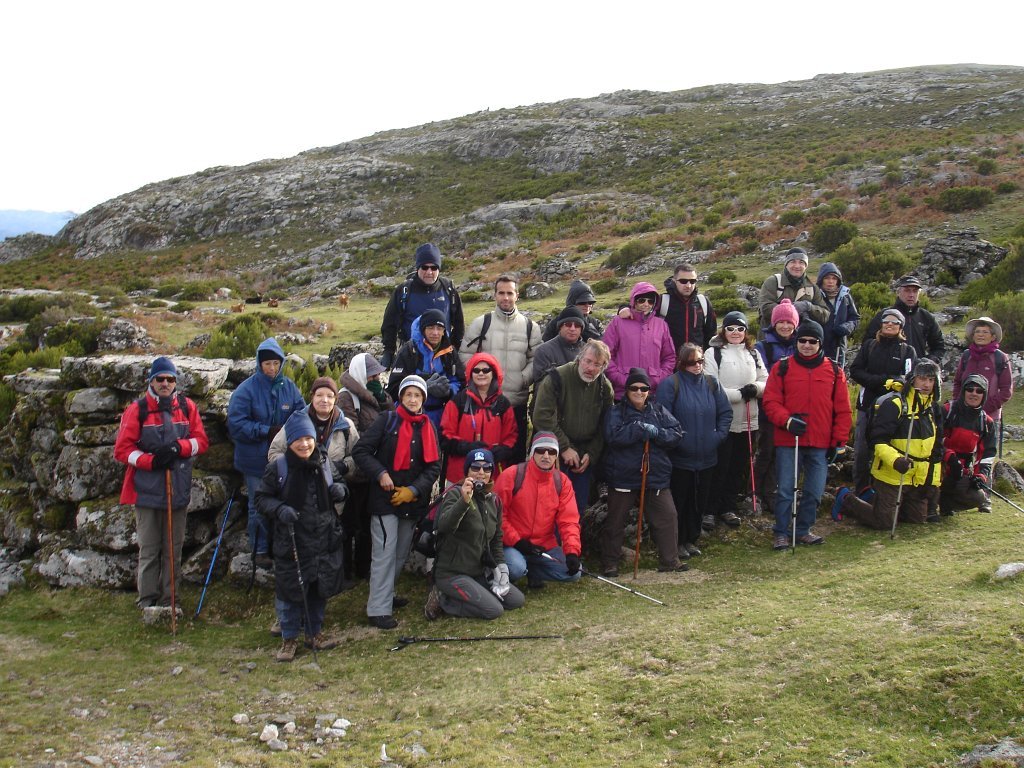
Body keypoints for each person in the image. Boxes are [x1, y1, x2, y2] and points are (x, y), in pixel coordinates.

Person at [114, 356, 209, 612]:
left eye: (170, 379)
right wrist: (151, 461)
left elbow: (201, 441)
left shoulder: (187, 407)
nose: (165, 383)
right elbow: (122, 450)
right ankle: (147, 600)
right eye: (160, 379)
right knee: (149, 548)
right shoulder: (138, 410)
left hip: (177, 487)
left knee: (173, 549)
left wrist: (180, 447)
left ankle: (170, 599)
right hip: (146, 490)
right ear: (151, 381)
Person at [255, 410, 347, 661]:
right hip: (292, 541)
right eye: (298, 439)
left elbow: (340, 484)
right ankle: (289, 639)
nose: (304, 444)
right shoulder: (278, 467)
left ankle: (314, 633)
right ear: (290, 441)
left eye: (308, 438)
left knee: (319, 590)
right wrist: (280, 509)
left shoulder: (324, 463)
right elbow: (261, 498)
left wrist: (340, 490)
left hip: (324, 540)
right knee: (290, 593)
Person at [353, 375, 442, 630]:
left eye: (417, 395)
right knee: (384, 552)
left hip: (411, 502)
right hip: (384, 500)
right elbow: (361, 451)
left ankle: (387, 593)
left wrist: (414, 490)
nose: (413, 400)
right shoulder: (387, 420)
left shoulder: (427, 426)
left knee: (401, 552)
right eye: (408, 395)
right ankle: (378, 608)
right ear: (401, 397)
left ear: (423, 399)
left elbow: (434, 466)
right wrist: (381, 474)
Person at [762, 320, 851, 549]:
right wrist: (787, 421)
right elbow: (771, 402)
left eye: (813, 341)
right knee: (785, 490)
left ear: (820, 343)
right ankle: (781, 532)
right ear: (796, 341)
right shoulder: (782, 368)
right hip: (789, 440)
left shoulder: (834, 371)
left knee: (814, 491)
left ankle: (802, 530)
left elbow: (843, 410)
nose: (807, 345)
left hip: (820, 442)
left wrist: (839, 441)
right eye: (802, 340)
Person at [833, 359, 943, 530]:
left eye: (931, 380)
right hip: (891, 473)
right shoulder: (895, 405)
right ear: (912, 379)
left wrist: (932, 482)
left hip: (915, 477)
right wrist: (896, 460)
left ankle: (874, 500)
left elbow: (936, 449)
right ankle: (846, 498)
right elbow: (877, 441)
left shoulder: (933, 409)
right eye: (922, 378)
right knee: (885, 522)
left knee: (917, 518)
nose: (927, 384)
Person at [227, 337, 305, 569]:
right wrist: (265, 431)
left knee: (286, 503)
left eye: (276, 363)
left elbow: (301, 414)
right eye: (267, 363)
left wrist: (288, 434)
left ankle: (283, 549)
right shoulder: (245, 390)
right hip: (254, 461)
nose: (272, 368)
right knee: (258, 505)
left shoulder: (289, 387)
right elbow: (236, 424)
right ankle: (259, 550)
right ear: (259, 364)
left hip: (284, 460)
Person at [424, 448, 526, 620]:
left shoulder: (494, 500)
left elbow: (496, 539)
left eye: (487, 468)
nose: (481, 472)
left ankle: (475, 593)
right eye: (475, 467)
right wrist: (464, 501)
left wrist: (501, 569)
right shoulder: (455, 493)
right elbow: (444, 526)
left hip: (478, 572)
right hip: (452, 573)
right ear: (467, 471)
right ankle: (442, 598)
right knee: (494, 610)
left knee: (516, 600)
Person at [603, 368, 687, 575]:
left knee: (667, 516)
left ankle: (670, 560)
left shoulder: (658, 410)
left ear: (649, 390)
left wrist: (657, 433)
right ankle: (610, 563)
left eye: (644, 388)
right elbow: (612, 436)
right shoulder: (616, 412)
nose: (639, 392)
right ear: (627, 390)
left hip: (655, 475)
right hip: (623, 476)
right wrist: (637, 429)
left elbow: (676, 433)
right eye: (634, 388)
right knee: (615, 521)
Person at [461, 275, 542, 464]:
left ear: (517, 295)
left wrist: (522, 379)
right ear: (495, 295)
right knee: (484, 459)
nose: (506, 297)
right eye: (501, 293)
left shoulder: (530, 327)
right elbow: (465, 355)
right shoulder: (481, 323)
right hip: (484, 405)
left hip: (516, 404)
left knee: (514, 460)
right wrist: (481, 380)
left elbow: (536, 360)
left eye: (510, 293)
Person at [657, 344, 732, 545]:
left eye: (700, 361)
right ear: (682, 363)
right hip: (680, 459)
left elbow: (725, 412)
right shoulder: (670, 385)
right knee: (680, 501)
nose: (697, 365)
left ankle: (692, 538)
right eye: (691, 362)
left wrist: (718, 436)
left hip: (707, 456)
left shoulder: (712, 383)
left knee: (700, 501)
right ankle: (677, 542)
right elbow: (663, 418)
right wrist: (679, 440)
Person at [532, 339, 615, 518]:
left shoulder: (605, 387)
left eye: (597, 365)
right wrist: (564, 448)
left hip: (584, 457)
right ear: (580, 358)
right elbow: (541, 417)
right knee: (549, 508)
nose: (590, 368)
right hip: (554, 453)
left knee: (576, 510)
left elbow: (606, 425)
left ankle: (573, 538)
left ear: (603, 367)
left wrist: (591, 454)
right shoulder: (556, 378)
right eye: (587, 361)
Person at [704, 312, 768, 530]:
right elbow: (710, 384)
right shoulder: (713, 353)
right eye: (730, 328)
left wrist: (755, 389)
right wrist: (739, 394)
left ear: (746, 332)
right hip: (722, 420)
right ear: (723, 330)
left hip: (748, 419)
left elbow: (765, 380)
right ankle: (709, 509)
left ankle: (728, 507)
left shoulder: (753, 353)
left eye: (740, 329)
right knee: (719, 466)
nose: (735, 332)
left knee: (738, 466)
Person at [495, 432, 582, 588]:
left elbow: (569, 521)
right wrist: (517, 541)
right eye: (541, 450)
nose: (546, 456)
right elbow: (497, 516)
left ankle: (531, 571)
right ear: (532, 453)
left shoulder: (562, 482)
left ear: (556, 456)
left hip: (543, 547)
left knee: (574, 572)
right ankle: (515, 570)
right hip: (512, 544)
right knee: (516, 568)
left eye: (552, 452)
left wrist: (572, 552)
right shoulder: (512, 475)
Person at [848, 308, 917, 492]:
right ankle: (861, 490)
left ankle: (882, 491)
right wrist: (882, 381)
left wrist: (895, 382)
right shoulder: (869, 346)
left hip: (893, 410)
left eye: (895, 322)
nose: (890, 324)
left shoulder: (907, 351)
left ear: (901, 327)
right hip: (866, 405)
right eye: (886, 321)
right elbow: (855, 371)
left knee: (887, 449)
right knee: (862, 451)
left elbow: (909, 377)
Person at [338, 352, 393, 579]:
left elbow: (391, 418)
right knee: (350, 521)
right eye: (372, 375)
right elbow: (351, 433)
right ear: (361, 374)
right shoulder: (346, 398)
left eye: (378, 374)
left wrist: (382, 398)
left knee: (367, 519)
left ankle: (363, 567)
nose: (376, 378)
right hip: (356, 470)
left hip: (373, 468)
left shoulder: (376, 394)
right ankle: (345, 570)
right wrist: (377, 441)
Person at [380, 243, 465, 368]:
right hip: (411, 357)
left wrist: (455, 349)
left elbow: (459, 323)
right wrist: (388, 351)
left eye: (434, 268)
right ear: (417, 268)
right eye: (424, 267)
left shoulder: (449, 290)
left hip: (442, 357)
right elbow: (389, 324)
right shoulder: (404, 291)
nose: (429, 272)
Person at [440, 352, 517, 484]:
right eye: (476, 370)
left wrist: (503, 451)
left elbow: (512, 436)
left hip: (492, 474)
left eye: (486, 370)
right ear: (470, 374)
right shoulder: (458, 401)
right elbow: (445, 435)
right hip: (459, 475)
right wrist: (465, 447)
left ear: (494, 373)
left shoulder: (503, 404)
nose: (481, 373)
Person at [753, 298, 799, 506]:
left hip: (792, 409)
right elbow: (761, 376)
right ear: (773, 323)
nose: (785, 326)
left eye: (789, 322)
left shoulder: (801, 345)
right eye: (781, 322)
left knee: (780, 452)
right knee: (766, 451)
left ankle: (770, 493)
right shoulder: (763, 347)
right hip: (768, 409)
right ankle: (753, 492)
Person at [387, 309, 463, 429]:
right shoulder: (409, 351)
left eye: (439, 328)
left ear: (444, 331)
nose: (435, 333)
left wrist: (449, 391)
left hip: (441, 416)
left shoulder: (450, 352)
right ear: (423, 329)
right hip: (409, 417)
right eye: (430, 328)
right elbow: (393, 388)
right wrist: (422, 387)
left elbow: (460, 382)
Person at [603, 281, 676, 399]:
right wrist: (621, 379)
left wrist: (658, 379)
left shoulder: (661, 325)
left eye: (650, 301)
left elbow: (669, 358)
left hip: (653, 394)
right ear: (634, 301)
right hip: (622, 394)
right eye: (642, 300)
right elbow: (606, 355)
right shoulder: (618, 323)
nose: (646, 304)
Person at [940, 374, 996, 516]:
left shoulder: (987, 422)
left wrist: (980, 476)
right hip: (939, 465)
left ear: (984, 395)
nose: (974, 393)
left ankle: (946, 502)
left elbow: (987, 455)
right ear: (963, 391)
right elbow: (933, 441)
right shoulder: (947, 411)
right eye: (970, 389)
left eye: (979, 391)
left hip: (962, 471)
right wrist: (949, 457)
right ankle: (933, 502)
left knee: (978, 497)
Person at [863, 275, 945, 364]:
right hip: (888, 369)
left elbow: (939, 346)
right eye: (907, 290)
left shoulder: (926, 317)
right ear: (898, 292)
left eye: (915, 291)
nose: (911, 295)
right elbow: (868, 343)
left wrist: (928, 361)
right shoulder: (884, 315)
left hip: (917, 370)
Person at [951, 317, 1013, 421]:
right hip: (963, 415)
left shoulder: (1000, 357)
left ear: (993, 337)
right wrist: (959, 403)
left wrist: (985, 407)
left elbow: (1006, 390)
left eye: (985, 332)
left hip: (990, 417)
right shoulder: (966, 355)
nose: (980, 335)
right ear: (973, 335)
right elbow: (957, 382)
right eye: (977, 331)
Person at [757, 247, 830, 330]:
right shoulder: (773, 282)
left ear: (806, 266)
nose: (797, 266)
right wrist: (791, 309)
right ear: (786, 264)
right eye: (793, 262)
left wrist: (809, 307)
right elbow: (765, 308)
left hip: (801, 337)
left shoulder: (812, 287)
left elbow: (825, 316)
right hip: (772, 336)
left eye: (801, 262)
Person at [816, 261, 860, 367]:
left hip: (839, 346)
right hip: (818, 346)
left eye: (834, 278)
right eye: (827, 278)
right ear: (821, 279)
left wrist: (846, 327)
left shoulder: (845, 296)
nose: (830, 281)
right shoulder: (815, 296)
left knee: (837, 374)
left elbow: (855, 318)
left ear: (838, 281)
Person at [534, 306, 587, 383]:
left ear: (581, 329)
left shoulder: (588, 351)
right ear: (560, 327)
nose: (572, 328)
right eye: (568, 324)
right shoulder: (544, 351)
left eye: (577, 325)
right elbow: (541, 383)